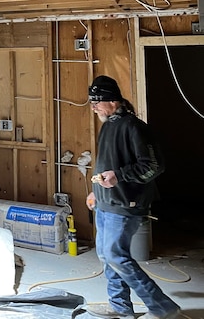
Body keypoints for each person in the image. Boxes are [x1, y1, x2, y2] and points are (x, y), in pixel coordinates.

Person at [85, 75, 180, 319]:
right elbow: (106, 164)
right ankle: (120, 307)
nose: (93, 106)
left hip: (127, 204)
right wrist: (95, 191)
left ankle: (163, 307)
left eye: (98, 101)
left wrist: (119, 176)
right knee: (107, 256)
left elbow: (153, 165)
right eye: (91, 101)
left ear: (114, 102)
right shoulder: (107, 126)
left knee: (117, 256)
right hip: (106, 202)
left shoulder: (134, 127)